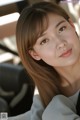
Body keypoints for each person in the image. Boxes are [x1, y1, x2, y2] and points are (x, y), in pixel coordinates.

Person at [9, 1, 80, 120]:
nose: (61, 43)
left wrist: (56, 112)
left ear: (72, 26)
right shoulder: (46, 86)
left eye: (62, 29)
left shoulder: (55, 109)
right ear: (35, 54)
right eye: (44, 41)